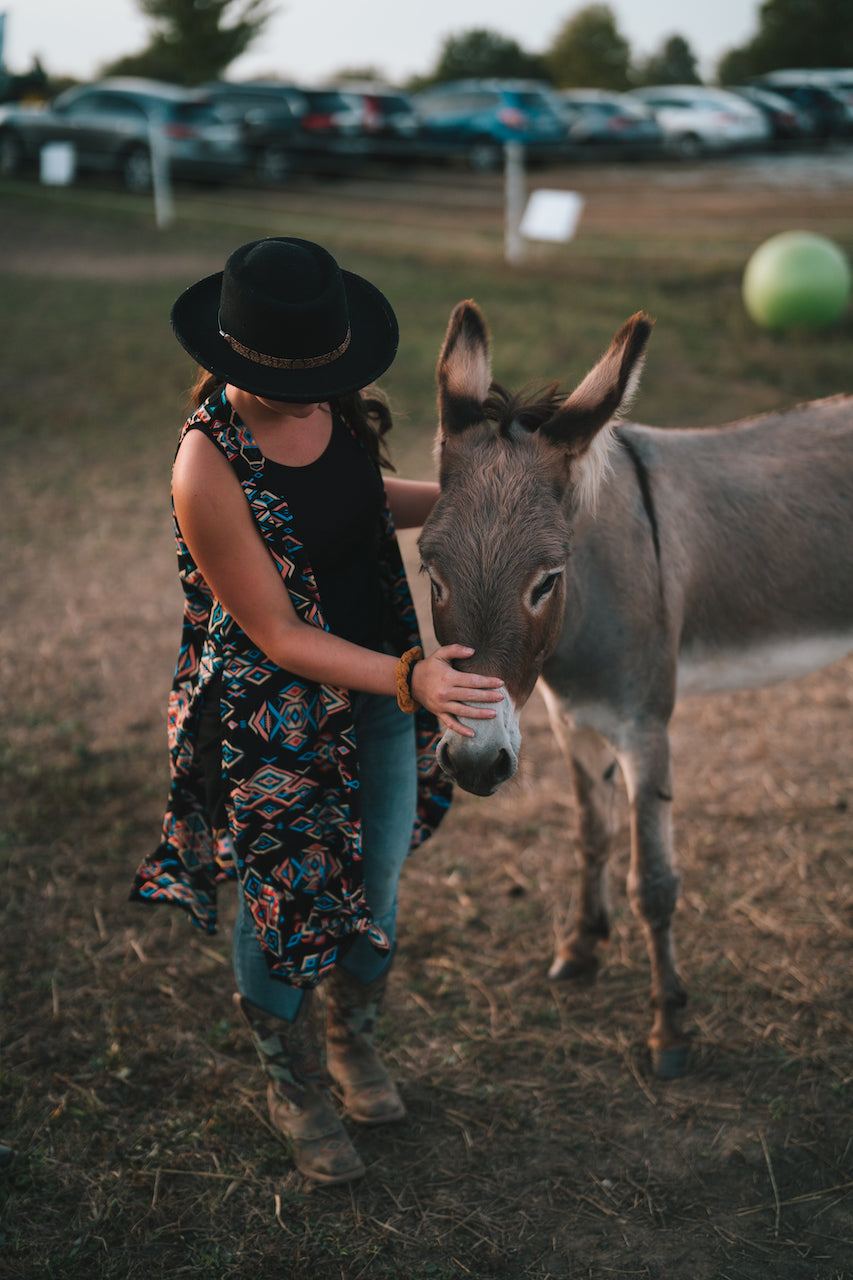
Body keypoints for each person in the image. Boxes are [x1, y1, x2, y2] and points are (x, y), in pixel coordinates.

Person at [131, 237, 503, 1185]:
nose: (313, 393)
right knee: (283, 903)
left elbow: (358, 499)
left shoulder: (328, 404)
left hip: (382, 685)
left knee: (372, 888)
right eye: (287, 379)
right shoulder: (204, 467)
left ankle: (352, 1045)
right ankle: (291, 1082)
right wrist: (411, 678)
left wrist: (478, 491)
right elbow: (278, 634)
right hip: (274, 717)